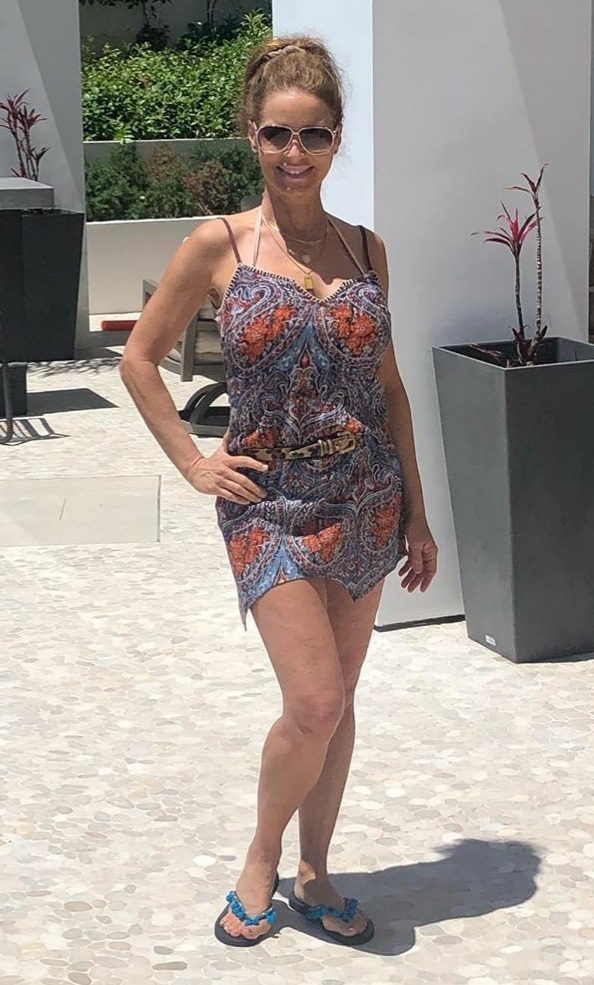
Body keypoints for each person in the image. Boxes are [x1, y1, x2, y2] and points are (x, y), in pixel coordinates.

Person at [120, 34, 438, 948]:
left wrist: (419, 513)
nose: (295, 154)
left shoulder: (367, 249)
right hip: (269, 505)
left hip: (366, 499)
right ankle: (262, 859)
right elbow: (139, 359)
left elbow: (388, 389)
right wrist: (193, 461)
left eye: (315, 135)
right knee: (315, 701)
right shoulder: (216, 245)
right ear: (251, 135)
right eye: (277, 135)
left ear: (337, 139)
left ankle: (316, 870)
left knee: (341, 698)